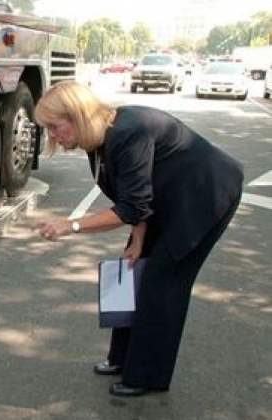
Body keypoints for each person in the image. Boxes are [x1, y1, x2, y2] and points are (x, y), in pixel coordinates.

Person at [32, 81, 243, 397]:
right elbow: (132, 195)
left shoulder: (129, 132)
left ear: (76, 115)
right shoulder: (99, 140)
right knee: (135, 270)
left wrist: (71, 226)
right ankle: (122, 360)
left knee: (162, 284)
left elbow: (132, 206)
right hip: (167, 198)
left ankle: (147, 376)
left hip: (205, 197)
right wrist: (138, 240)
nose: (51, 135)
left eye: (53, 126)